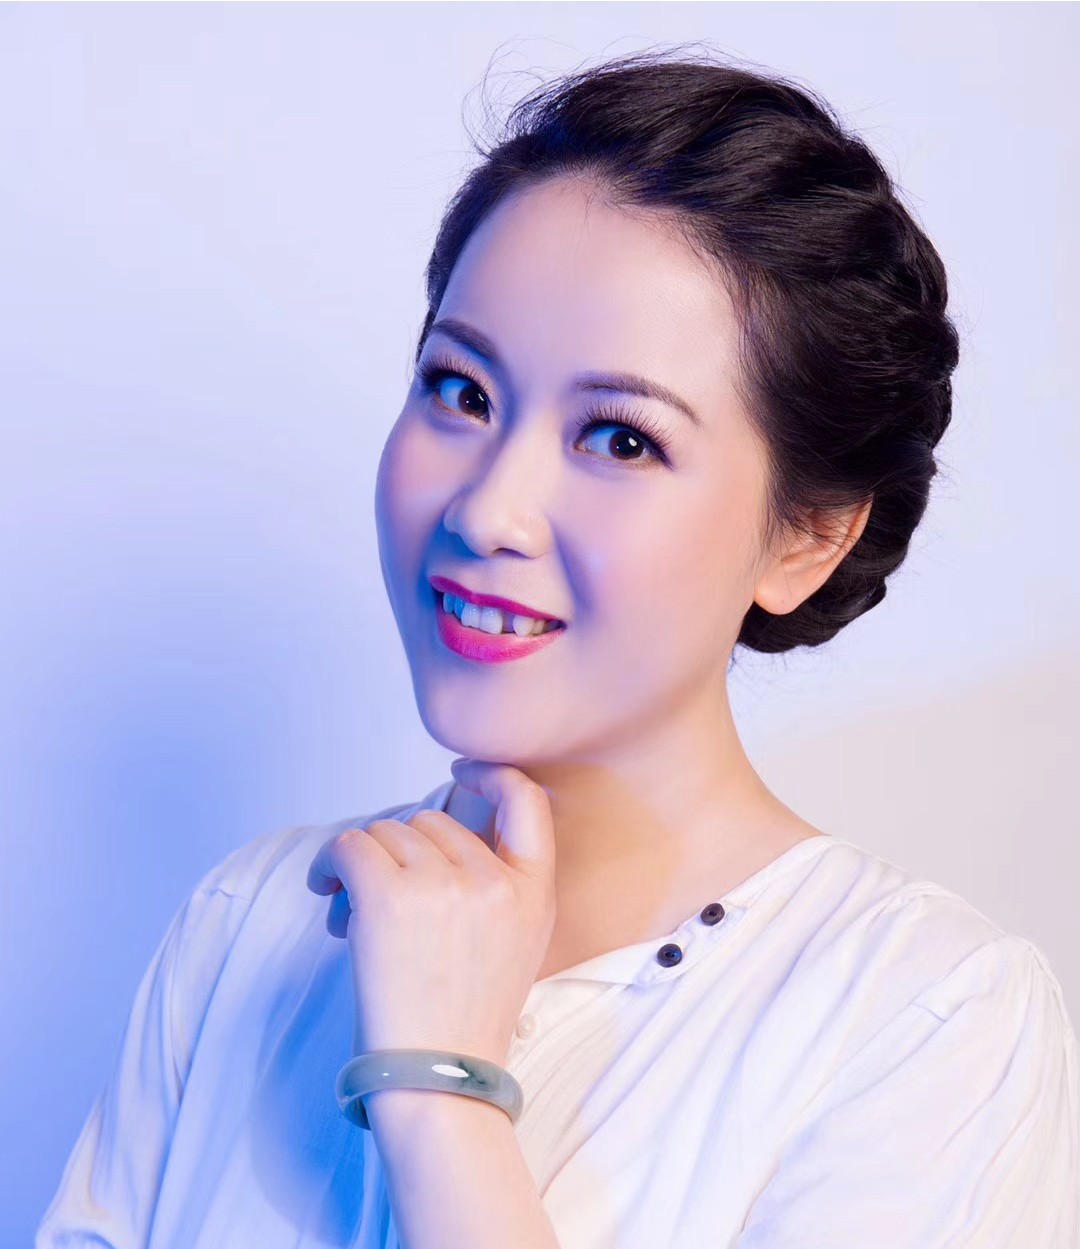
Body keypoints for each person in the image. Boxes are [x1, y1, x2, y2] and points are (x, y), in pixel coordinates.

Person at [37, 46, 1079, 1249]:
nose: (489, 509)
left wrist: (439, 1093)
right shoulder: (250, 925)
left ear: (808, 537)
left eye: (621, 440)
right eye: (462, 391)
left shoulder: (924, 1023)